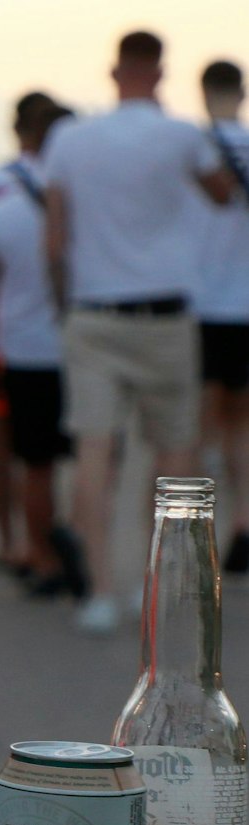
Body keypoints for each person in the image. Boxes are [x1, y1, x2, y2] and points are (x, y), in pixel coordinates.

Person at [45, 31, 235, 633]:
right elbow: (223, 194)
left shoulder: (69, 138)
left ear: (114, 71)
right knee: (174, 454)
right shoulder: (182, 136)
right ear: (159, 72)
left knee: (94, 452)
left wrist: (62, 305)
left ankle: (100, 589)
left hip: (93, 311)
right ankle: (160, 586)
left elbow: (54, 238)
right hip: (166, 315)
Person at [0, 93, 79, 595]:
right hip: (83, 346)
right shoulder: (88, 195)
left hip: (19, 345)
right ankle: (78, 540)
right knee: (93, 456)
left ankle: (34, 552)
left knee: (29, 461)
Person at [196, 60, 249, 571]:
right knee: (242, 424)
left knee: (200, 426)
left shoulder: (193, 148)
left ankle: (199, 531)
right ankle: (243, 523)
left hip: (201, 303)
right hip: (245, 304)